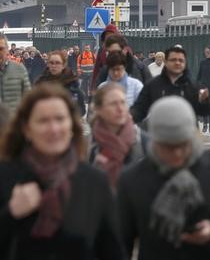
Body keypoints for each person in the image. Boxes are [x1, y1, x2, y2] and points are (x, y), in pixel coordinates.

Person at [117, 96, 210, 259]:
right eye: (168, 147)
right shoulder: (133, 180)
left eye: (183, 144)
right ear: (154, 141)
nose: (177, 153)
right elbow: (121, 243)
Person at [0, 84, 125, 260]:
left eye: (60, 119)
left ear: (72, 127)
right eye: (43, 121)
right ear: (27, 129)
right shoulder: (6, 177)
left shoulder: (93, 181)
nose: (54, 129)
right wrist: (10, 214)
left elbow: (112, 251)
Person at [132, 45, 210, 124]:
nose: (177, 63)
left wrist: (204, 101)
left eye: (181, 60)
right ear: (166, 62)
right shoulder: (152, 85)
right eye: (173, 60)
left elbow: (205, 112)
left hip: (187, 134)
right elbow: (139, 110)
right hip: (160, 133)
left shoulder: (193, 86)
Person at [89, 83, 147, 188]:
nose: (120, 109)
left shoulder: (144, 142)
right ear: (99, 109)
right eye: (113, 104)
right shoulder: (88, 146)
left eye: (123, 103)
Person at [35, 50, 87, 117]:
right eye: (51, 63)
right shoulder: (40, 85)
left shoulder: (72, 85)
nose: (54, 66)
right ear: (48, 64)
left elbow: (81, 111)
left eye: (57, 63)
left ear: (63, 65)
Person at [0, 34, 31, 124]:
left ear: (7, 50)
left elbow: (28, 98)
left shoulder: (19, 69)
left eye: (1, 49)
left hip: (14, 124)